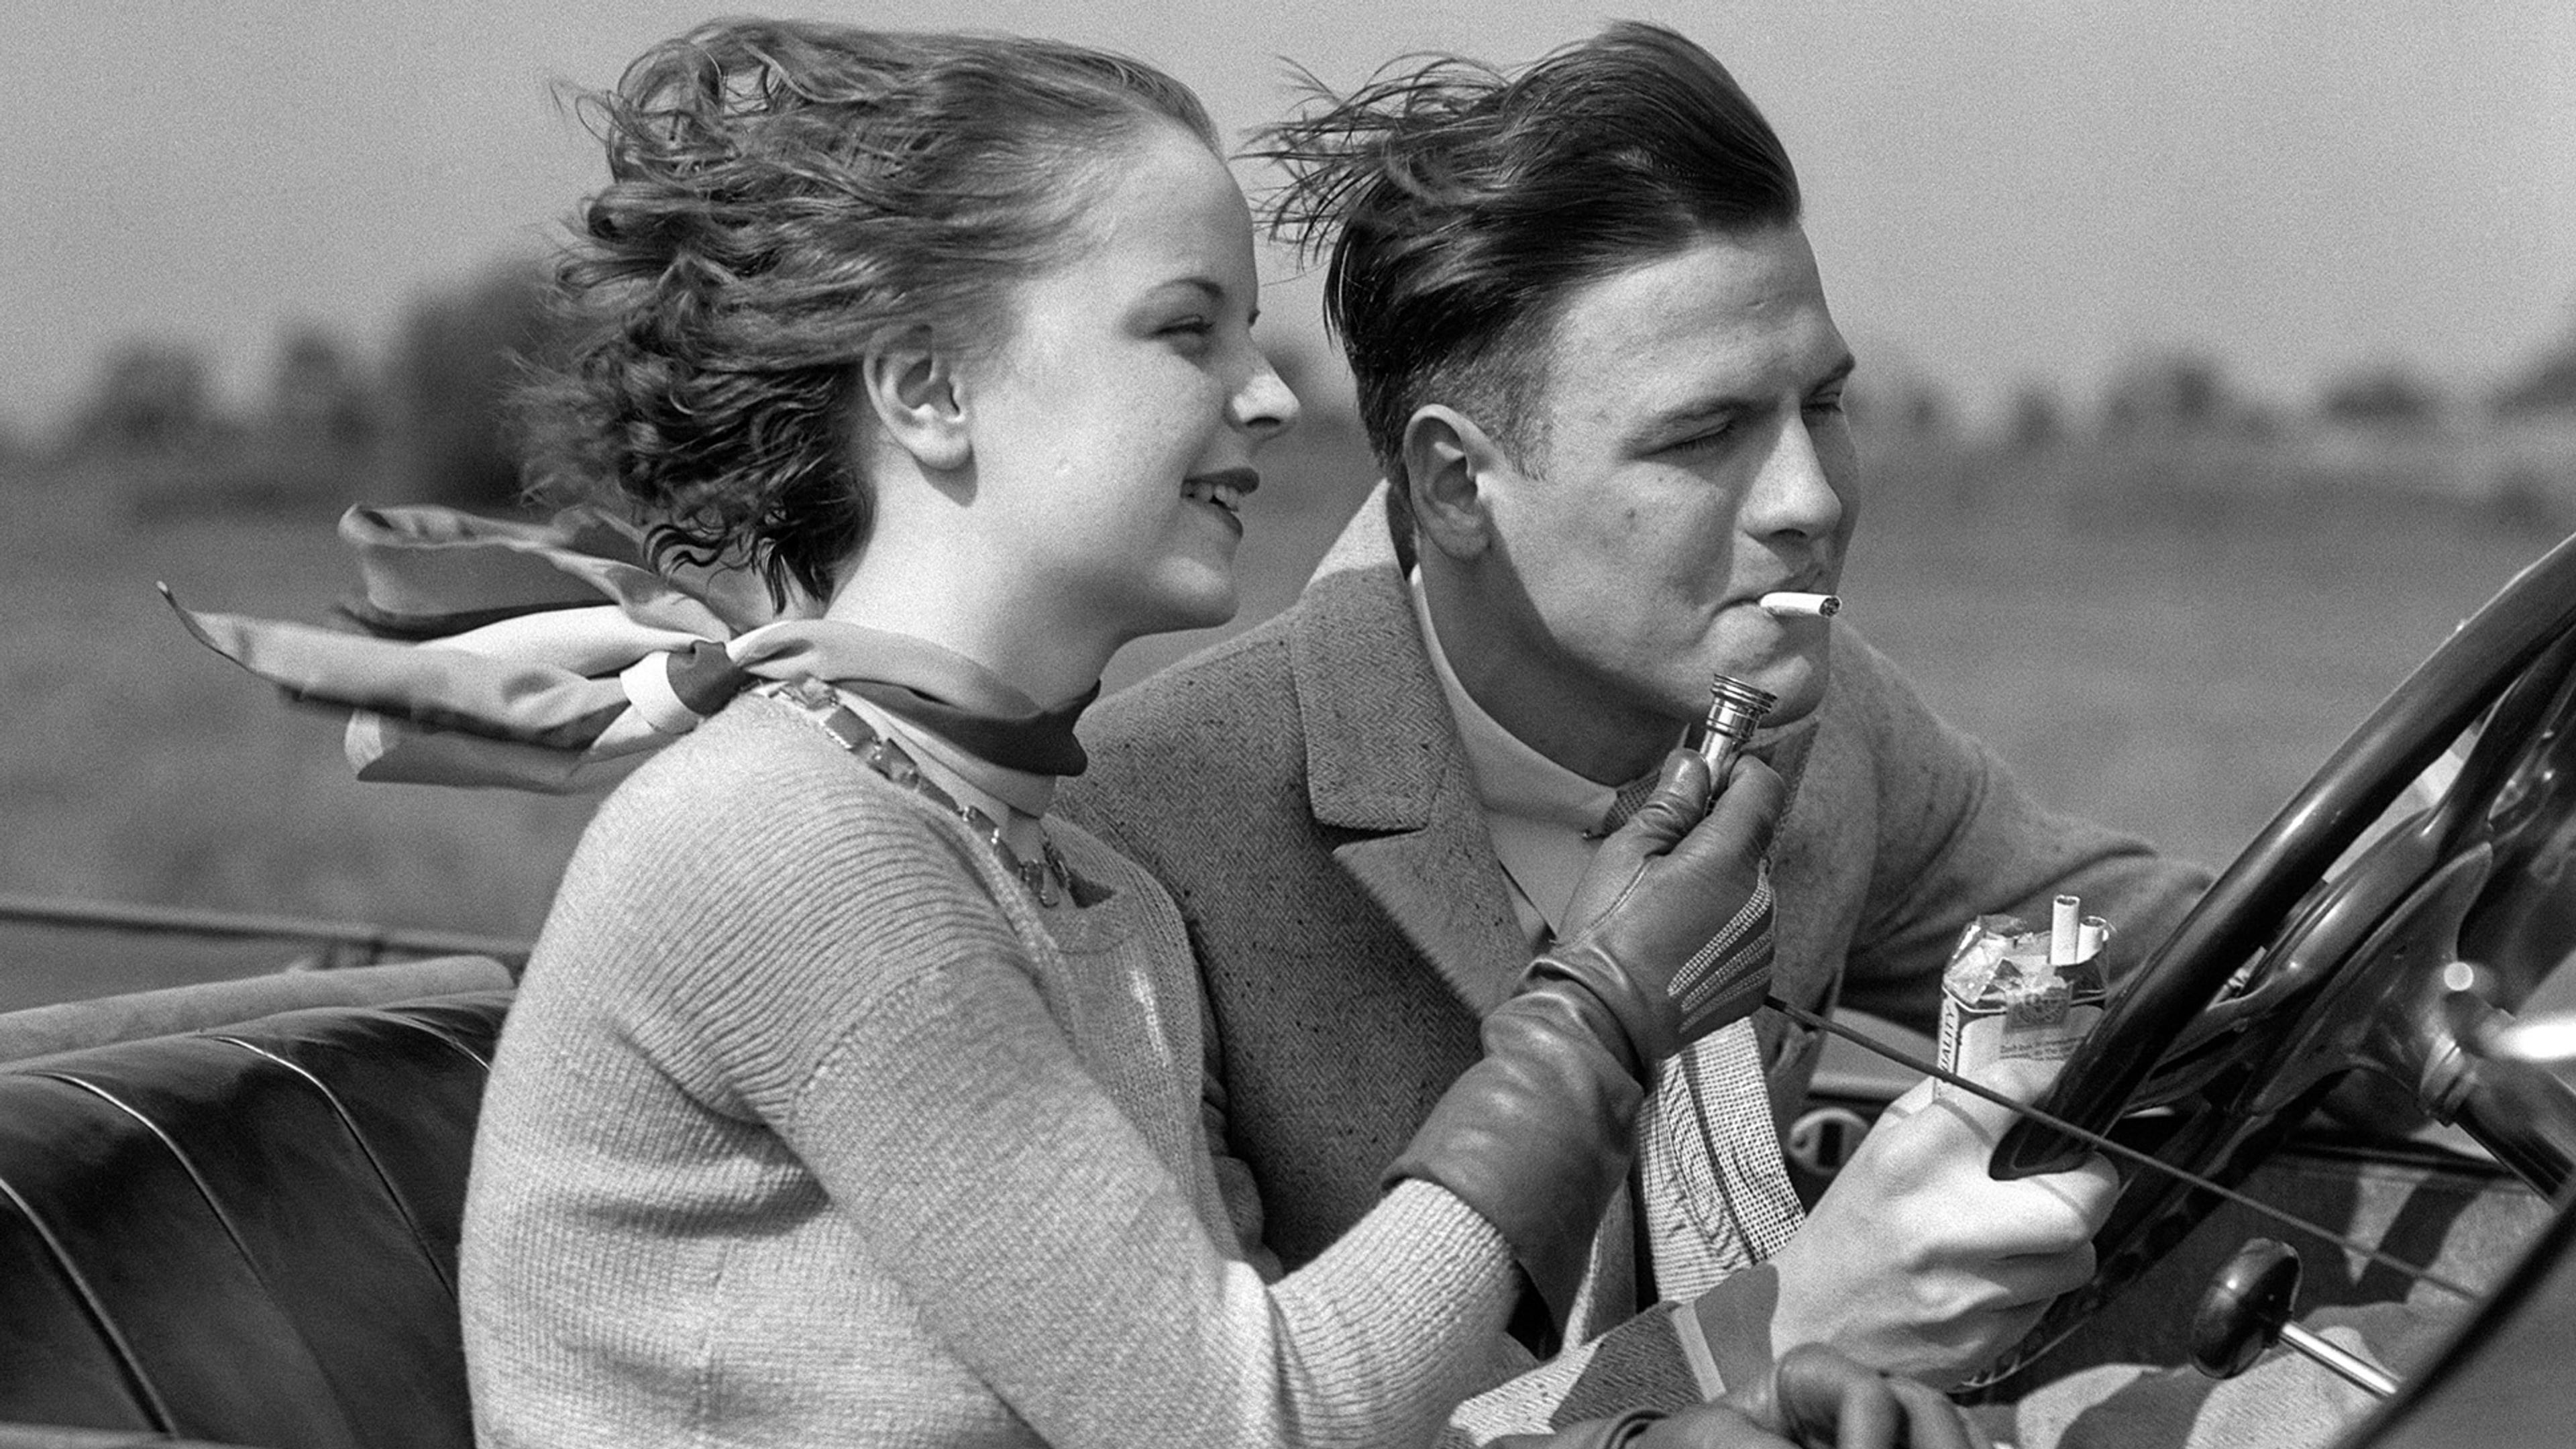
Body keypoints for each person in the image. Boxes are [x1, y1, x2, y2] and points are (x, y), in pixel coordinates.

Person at [168, 16, 1981, 1448]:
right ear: (933, 391)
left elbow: (1290, 1369)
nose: (1269, 395)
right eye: (1184, 332)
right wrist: (1600, 1002)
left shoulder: (1069, 869)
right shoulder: (784, 842)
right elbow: (1260, 1423)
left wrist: (1681, 1414)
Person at [1054, 19, 2218, 1435]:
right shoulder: (1137, 834)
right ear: (1456, 486)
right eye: (1699, 436)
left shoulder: (1821, 714)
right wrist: (1790, 1326)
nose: (1808, 499)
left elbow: (2165, 944)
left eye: (1826, 403)